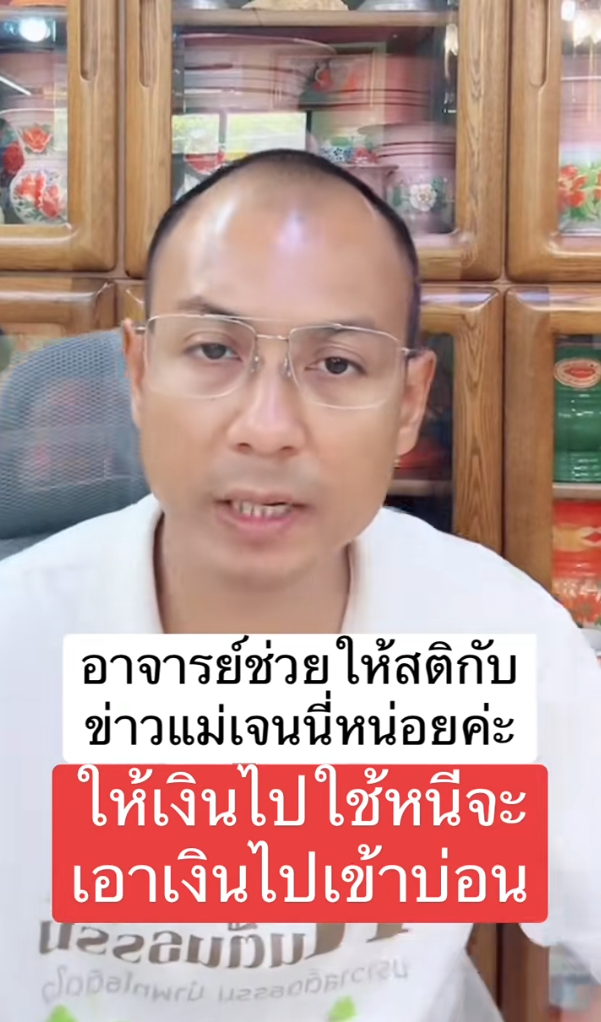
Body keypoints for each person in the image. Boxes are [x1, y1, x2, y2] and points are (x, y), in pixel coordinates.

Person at [0, 148, 600, 1022]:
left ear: (408, 403)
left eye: (337, 364)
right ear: (139, 372)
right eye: (213, 349)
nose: (267, 428)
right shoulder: (19, 650)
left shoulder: (490, 639)